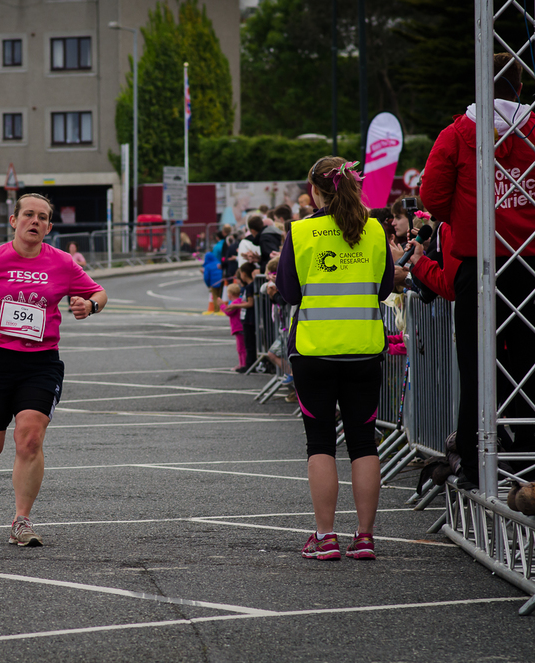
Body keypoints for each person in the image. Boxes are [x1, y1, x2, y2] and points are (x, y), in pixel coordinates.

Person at [0, 193, 107, 547]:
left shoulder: (62, 263)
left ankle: (21, 520)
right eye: (28, 215)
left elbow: (98, 291)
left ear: (50, 227)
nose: (35, 221)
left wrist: (89, 305)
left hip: (40, 362)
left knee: (30, 438)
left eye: (42, 217)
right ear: (14, 220)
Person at [420, 52, 535, 488]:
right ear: (520, 87)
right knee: (529, 363)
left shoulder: (457, 133)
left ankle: (471, 460)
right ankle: (529, 453)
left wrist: (468, 217)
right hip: (530, 263)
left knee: (475, 365)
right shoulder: (533, 128)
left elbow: (432, 199)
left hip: (478, 265)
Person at [277, 156, 394, 561]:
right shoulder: (375, 229)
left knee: (320, 442)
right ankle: (364, 537)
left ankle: (325, 537)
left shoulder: (302, 231)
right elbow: (381, 289)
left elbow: (289, 293)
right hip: (363, 348)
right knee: (364, 442)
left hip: (315, 349)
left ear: (315, 189)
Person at [226, 262, 258, 371]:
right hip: (246, 319)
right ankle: (247, 364)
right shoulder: (249, 286)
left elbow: (250, 303)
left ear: (243, 274)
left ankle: (249, 365)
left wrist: (235, 305)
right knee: (247, 343)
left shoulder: (250, 287)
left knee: (249, 344)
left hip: (250, 319)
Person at [219, 282, 246, 370]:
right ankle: (241, 364)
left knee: (241, 348)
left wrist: (222, 305)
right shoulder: (240, 301)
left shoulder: (235, 303)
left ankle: (243, 364)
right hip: (240, 326)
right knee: (240, 347)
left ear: (230, 295)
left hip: (238, 327)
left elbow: (228, 312)